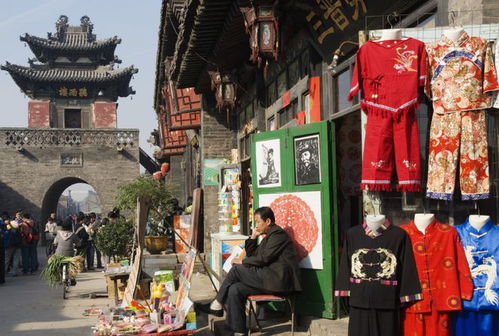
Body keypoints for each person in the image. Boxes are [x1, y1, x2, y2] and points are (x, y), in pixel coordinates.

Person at [194, 207, 302, 336]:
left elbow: (264, 258)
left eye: (258, 222)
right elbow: (254, 255)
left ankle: (217, 304)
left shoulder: (278, 235)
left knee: (236, 270)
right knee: (235, 289)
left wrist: (242, 262)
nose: (256, 225)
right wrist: (253, 237)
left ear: (268, 221)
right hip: (268, 279)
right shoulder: (268, 236)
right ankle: (238, 330)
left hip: (278, 281)